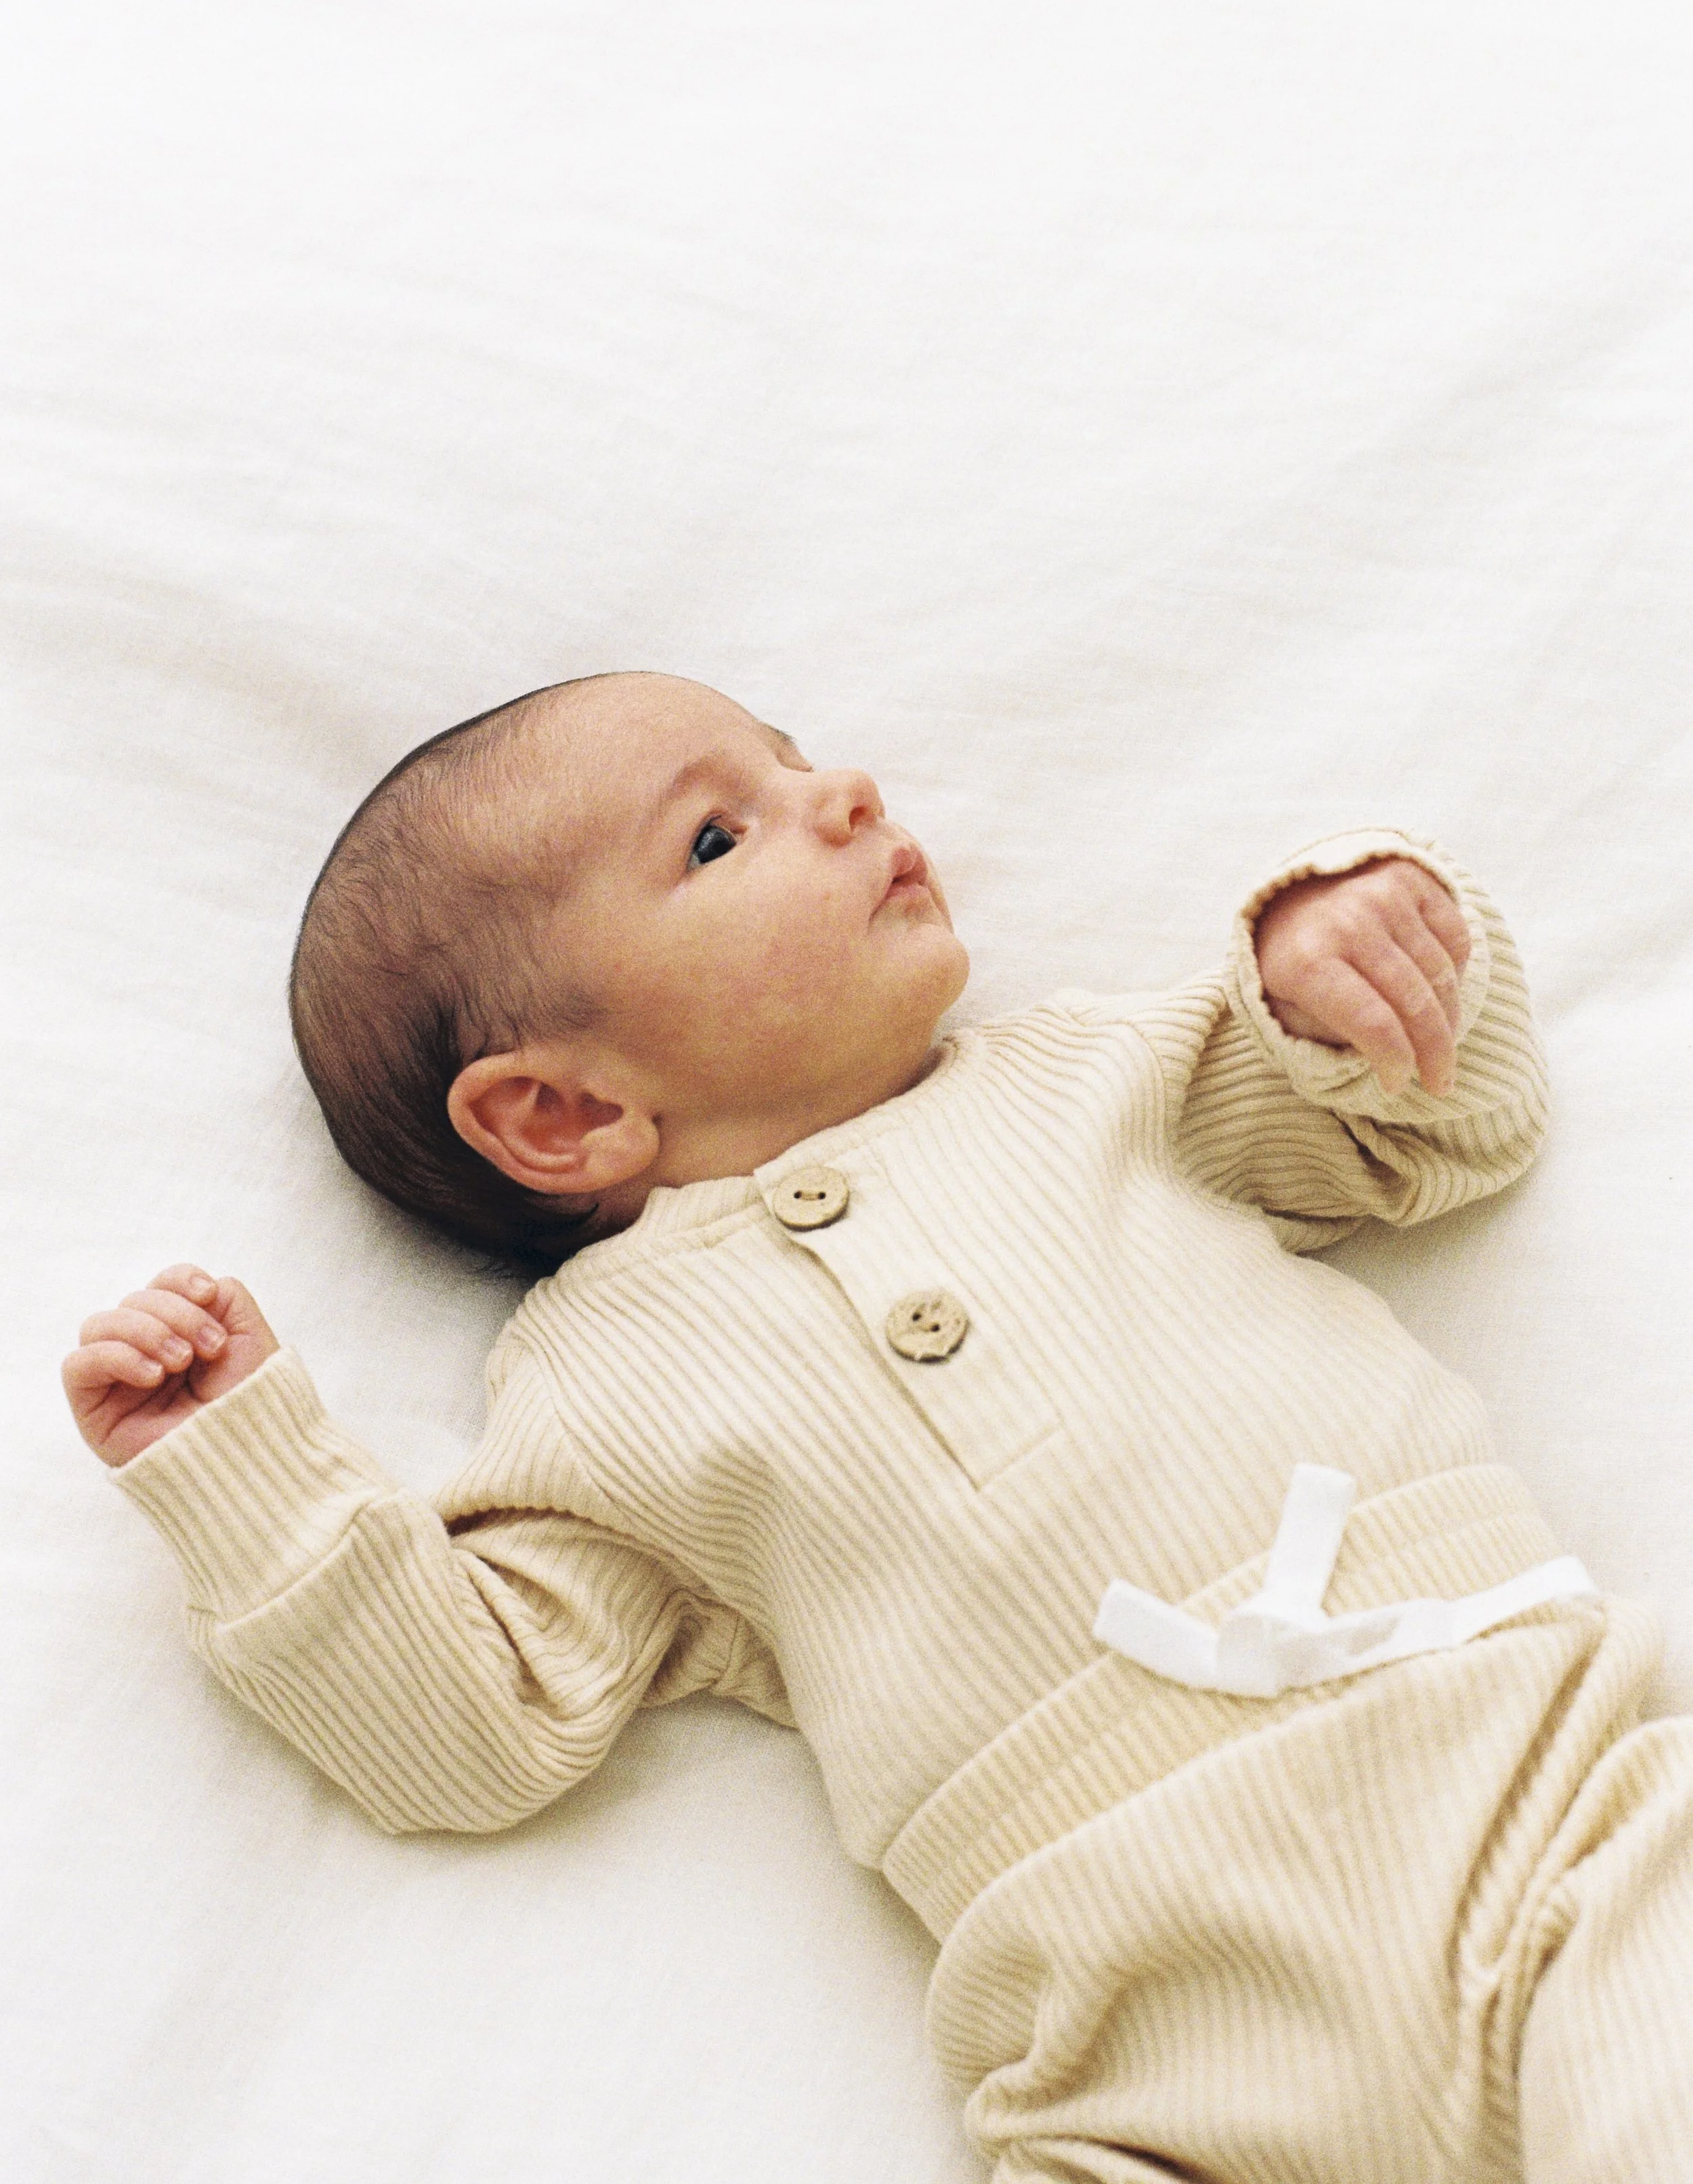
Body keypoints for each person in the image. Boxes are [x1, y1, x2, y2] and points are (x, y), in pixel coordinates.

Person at [64, 672, 1693, 2181]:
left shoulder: (1098, 1073)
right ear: (560, 1112)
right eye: (717, 835)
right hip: (1133, 2037)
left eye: (794, 759)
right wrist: (250, 1480)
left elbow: (1439, 1128)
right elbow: (468, 1730)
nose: (839, 791)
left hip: (1537, 1800)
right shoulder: (595, 1378)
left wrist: (1346, 956)